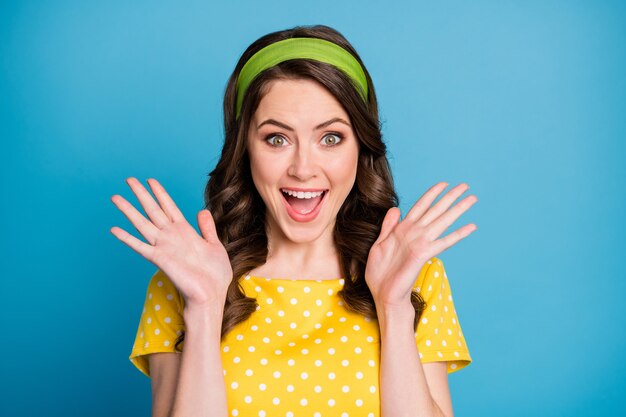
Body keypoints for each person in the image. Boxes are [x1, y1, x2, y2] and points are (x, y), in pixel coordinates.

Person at [111, 24, 477, 417]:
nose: (303, 169)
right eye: (276, 138)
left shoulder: (414, 278)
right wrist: (203, 308)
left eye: (331, 138)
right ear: (244, 149)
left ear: (362, 147)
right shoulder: (183, 279)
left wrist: (393, 307)